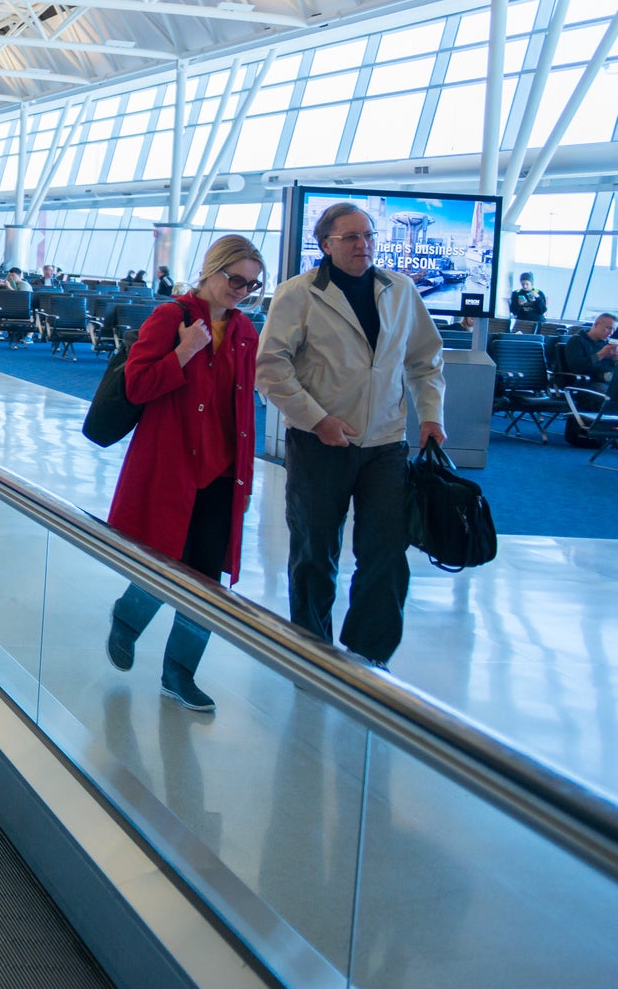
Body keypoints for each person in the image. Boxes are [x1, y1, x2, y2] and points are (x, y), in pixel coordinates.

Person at [257, 203, 445, 669]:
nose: (364, 245)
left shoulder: (400, 291)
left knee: (386, 554)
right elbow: (271, 366)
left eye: (368, 236)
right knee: (315, 553)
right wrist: (318, 419)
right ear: (326, 244)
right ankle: (311, 652)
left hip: (385, 443)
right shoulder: (297, 294)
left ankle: (367, 659)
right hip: (320, 442)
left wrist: (430, 415)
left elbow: (425, 359)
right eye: (351, 238)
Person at [105, 235, 266, 714]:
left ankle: (179, 672)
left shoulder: (245, 334)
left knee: (206, 580)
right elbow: (135, 385)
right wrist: (183, 353)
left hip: (221, 473)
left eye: (251, 285)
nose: (241, 290)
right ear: (211, 271)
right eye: (235, 279)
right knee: (166, 561)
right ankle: (129, 618)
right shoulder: (171, 319)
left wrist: (246, 481)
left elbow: (242, 414)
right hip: (173, 466)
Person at [562, 313, 617, 394]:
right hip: (587, 383)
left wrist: (615, 360)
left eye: (613, 330)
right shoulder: (577, 341)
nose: (611, 333)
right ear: (596, 325)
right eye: (608, 328)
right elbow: (576, 367)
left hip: (606, 381)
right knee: (612, 396)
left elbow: (610, 368)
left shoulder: (606, 343)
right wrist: (600, 355)